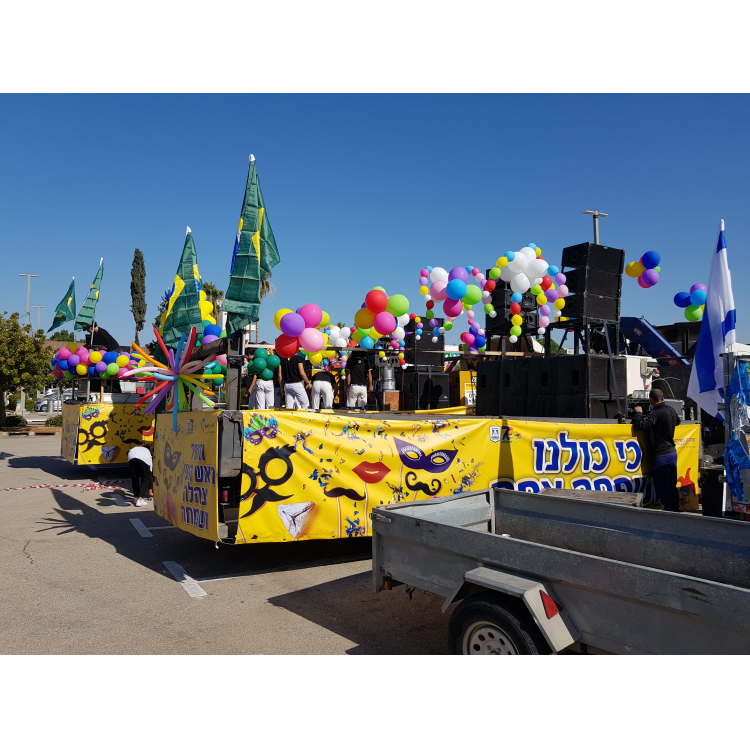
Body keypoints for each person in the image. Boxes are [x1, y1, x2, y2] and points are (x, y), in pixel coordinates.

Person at [633, 389, 681, 512]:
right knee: (672, 485)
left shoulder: (655, 413)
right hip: (672, 453)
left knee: (663, 487)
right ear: (663, 398)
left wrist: (638, 413)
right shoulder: (671, 410)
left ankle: (668, 513)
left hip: (661, 455)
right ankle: (675, 511)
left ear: (650, 400)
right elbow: (678, 422)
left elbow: (640, 424)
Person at [247, 344, 277, 409]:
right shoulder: (270, 358)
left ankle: (260, 415)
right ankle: (270, 415)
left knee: (260, 405)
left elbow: (254, 373)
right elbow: (275, 362)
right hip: (269, 381)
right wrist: (272, 354)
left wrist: (250, 389)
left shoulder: (256, 359)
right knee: (270, 404)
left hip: (260, 381)